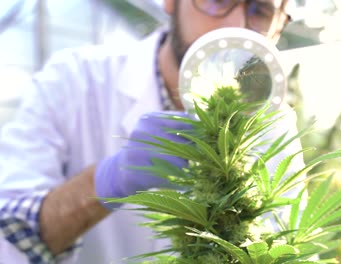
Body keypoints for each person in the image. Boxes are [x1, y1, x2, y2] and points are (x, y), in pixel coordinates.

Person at [0, 0, 302, 263]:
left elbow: (291, 249)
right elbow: (8, 235)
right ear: (170, 1)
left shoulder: (275, 126)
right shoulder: (73, 80)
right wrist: (107, 180)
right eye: (217, 0)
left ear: (278, 26)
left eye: (260, 10)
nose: (236, 24)